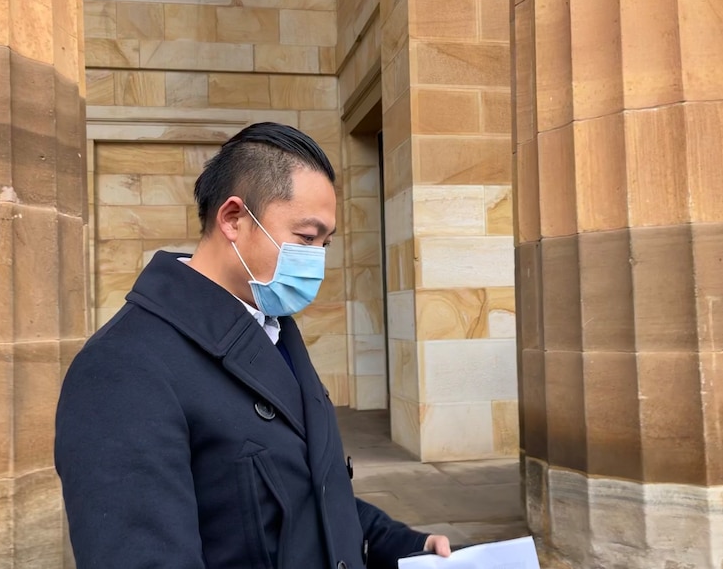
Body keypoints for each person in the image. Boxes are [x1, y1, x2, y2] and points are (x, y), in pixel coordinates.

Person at [54, 122, 452, 568]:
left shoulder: (273, 328)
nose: (317, 258)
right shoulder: (122, 369)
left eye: (325, 242)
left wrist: (398, 543)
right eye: (305, 237)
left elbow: (305, 491)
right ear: (233, 219)